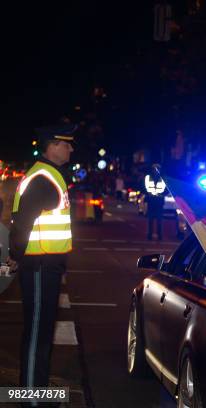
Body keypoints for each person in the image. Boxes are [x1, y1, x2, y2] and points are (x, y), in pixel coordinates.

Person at [7, 124, 75, 392]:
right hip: (39, 266)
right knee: (37, 334)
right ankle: (33, 398)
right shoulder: (44, 178)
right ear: (52, 145)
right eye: (66, 143)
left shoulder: (49, 175)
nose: (71, 148)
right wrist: (16, 254)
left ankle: (37, 393)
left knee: (43, 333)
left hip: (45, 265)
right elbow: (22, 221)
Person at [144, 170, 166, 240]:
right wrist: (148, 195)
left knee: (159, 220)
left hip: (159, 202)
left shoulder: (163, 178)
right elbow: (144, 187)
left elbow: (167, 189)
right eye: (154, 168)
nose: (156, 170)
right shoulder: (148, 177)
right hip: (151, 201)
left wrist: (163, 195)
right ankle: (150, 235)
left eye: (158, 168)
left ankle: (159, 235)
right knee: (150, 219)